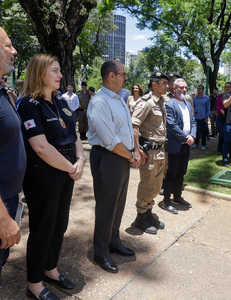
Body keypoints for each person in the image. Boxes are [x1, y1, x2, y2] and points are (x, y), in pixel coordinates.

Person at [18, 54, 85, 300]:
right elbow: (41, 147)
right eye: (55, 71)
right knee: (43, 227)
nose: (60, 76)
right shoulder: (28, 104)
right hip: (43, 174)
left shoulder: (60, 101)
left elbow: (74, 133)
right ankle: (34, 284)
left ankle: (51, 270)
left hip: (66, 170)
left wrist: (81, 160)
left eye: (60, 71)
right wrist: (71, 166)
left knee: (60, 224)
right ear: (40, 73)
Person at [87, 59, 141, 274]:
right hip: (108, 157)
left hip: (122, 157)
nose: (125, 77)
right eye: (122, 74)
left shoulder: (118, 98)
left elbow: (127, 130)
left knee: (118, 204)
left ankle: (113, 241)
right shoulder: (100, 101)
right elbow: (109, 139)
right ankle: (100, 251)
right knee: (106, 206)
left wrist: (135, 151)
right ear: (111, 75)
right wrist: (130, 156)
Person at [0, 26, 26, 279]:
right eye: (8, 46)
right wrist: (3, 219)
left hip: (9, 198)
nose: (14, 51)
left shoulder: (4, 93)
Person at [132, 71, 169, 234]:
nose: (167, 86)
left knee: (156, 185)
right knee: (147, 184)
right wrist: (137, 149)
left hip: (160, 150)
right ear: (154, 85)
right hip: (149, 151)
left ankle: (148, 212)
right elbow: (134, 126)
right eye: (164, 83)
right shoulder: (145, 102)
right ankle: (140, 217)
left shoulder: (161, 101)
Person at [162, 78, 196, 214]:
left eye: (185, 87)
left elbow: (193, 122)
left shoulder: (188, 104)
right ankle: (166, 201)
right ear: (174, 89)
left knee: (181, 173)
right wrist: (185, 137)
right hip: (176, 144)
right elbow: (171, 125)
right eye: (181, 87)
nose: (184, 90)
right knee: (171, 173)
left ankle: (177, 197)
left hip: (186, 145)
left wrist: (192, 136)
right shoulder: (169, 104)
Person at [193, 84, 210, 151]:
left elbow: (208, 108)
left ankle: (203, 145)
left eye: (200, 89)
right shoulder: (195, 98)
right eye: (197, 89)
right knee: (196, 131)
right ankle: (196, 143)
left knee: (203, 132)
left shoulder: (206, 98)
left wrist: (207, 116)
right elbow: (194, 106)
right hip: (196, 117)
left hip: (203, 117)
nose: (198, 90)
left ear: (203, 90)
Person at [216, 83, 230, 155]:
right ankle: (220, 149)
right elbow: (218, 106)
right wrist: (223, 112)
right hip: (221, 117)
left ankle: (227, 150)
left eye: (228, 87)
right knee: (221, 134)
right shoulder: (221, 96)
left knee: (227, 134)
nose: (227, 88)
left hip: (229, 118)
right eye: (226, 87)